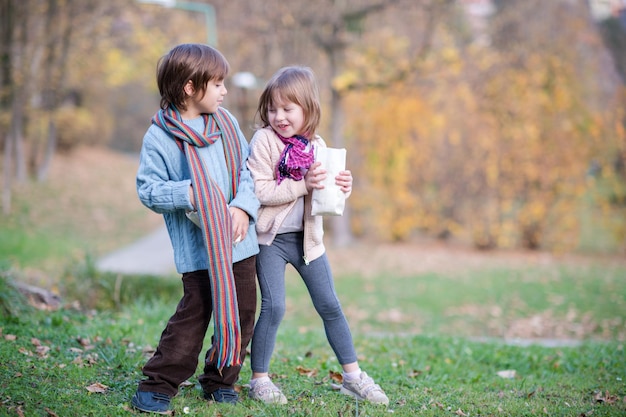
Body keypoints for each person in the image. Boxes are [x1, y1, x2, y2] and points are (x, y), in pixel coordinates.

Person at [246, 66, 389, 406]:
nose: (279, 116)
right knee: (274, 307)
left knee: (330, 304)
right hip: (271, 240)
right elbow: (261, 190)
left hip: (308, 240)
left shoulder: (317, 146)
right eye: (272, 108)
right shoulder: (264, 141)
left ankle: (353, 377)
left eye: (288, 108)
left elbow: (324, 195)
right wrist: (302, 184)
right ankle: (259, 380)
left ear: (307, 109)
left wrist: (342, 188)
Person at [131, 43, 260, 414]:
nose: (224, 91)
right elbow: (148, 189)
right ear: (190, 87)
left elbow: (247, 172)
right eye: (217, 83)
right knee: (194, 314)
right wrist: (187, 192)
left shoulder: (227, 124)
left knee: (242, 312)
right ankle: (159, 382)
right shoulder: (161, 136)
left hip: (240, 243)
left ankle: (221, 379)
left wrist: (242, 208)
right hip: (198, 249)